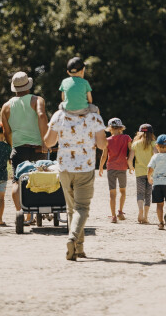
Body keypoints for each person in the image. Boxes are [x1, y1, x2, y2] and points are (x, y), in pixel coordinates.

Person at [44, 107, 107, 261]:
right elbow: (102, 145)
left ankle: (79, 248)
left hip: (65, 168)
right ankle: (72, 239)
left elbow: (49, 142)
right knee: (82, 207)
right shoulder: (93, 116)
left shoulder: (59, 115)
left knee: (72, 208)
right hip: (84, 168)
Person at [1, 72, 49, 221]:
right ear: (28, 85)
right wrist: (44, 141)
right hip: (37, 148)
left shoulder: (6, 106)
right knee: (39, 179)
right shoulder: (37, 100)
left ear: (14, 88)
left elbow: (6, 132)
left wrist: (13, 145)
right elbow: (41, 116)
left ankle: (22, 214)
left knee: (17, 181)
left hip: (19, 148)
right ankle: (38, 211)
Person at [99, 118, 132, 223]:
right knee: (123, 191)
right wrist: (130, 163)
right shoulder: (127, 138)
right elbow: (132, 150)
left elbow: (104, 156)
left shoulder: (107, 141)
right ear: (121, 128)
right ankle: (120, 212)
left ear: (110, 129)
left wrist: (100, 167)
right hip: (122, 168)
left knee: (112, 194)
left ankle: (113, 216)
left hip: (111, 169)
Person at [128, 124, 156, 224]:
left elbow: (130, 159)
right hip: (151, 173)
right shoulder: (153, 143)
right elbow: (156, 156)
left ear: (139, 132)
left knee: (140, 193)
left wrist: (131, 167)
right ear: (151, 133)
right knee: (148, 195)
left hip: (139, 172)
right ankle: (145, 216)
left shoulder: (135, 144)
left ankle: (140, 210)